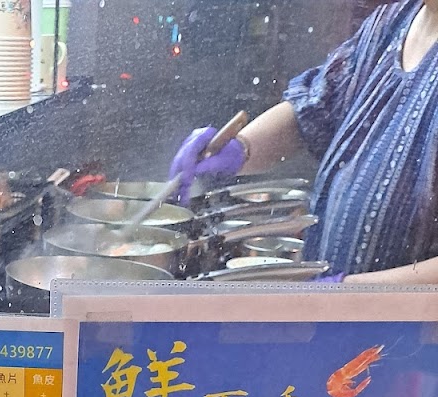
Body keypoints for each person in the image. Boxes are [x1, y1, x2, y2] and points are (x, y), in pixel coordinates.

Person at [169, 0, 438, 284]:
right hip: (335, 305)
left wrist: (350, 293)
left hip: (402, 313)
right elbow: (314, 109)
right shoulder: (390, 24)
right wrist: (239, 148)